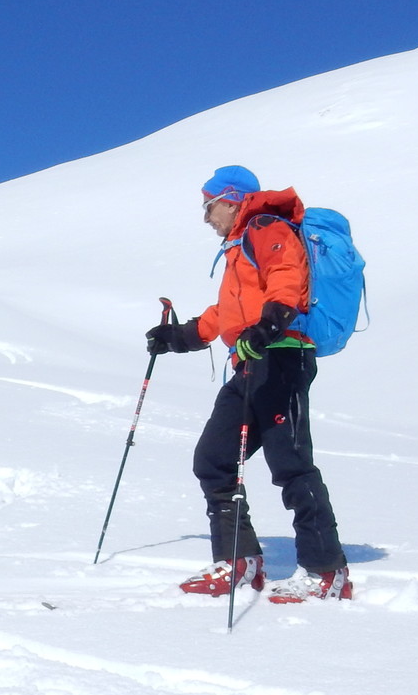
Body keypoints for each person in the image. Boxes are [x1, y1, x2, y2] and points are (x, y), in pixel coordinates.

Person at [145, 166, 351, 603]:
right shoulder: (239, 247)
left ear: (233, 198)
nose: (206, 217)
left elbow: (287, 274)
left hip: (282, 356)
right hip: (250, 360)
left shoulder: (265, 226)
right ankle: (239, 560)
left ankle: (326, 571)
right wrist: (178, 337)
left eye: (209, 206)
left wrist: (272, 321)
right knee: (214, 459)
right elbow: (227, 313)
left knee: (290, 463)